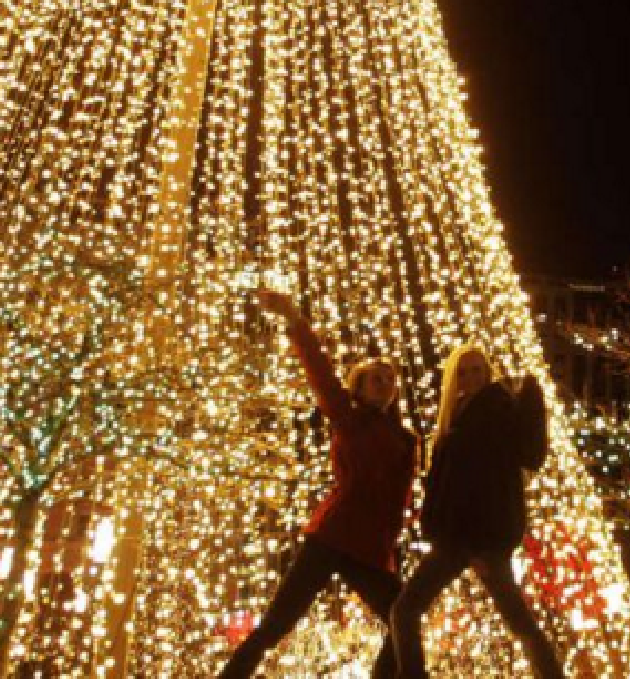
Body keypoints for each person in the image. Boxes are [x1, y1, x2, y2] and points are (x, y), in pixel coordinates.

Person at [218, 289, 417, 678]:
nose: (384, 384)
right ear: (358, 387)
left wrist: (392, 551)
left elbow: (398, 502)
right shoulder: (348, 416)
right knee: (277, 623)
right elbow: (319, 369)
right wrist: (293, 317)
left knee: (404, 617)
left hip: (371, 548)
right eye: (375, 378)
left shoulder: (405, 440)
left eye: (389, 380)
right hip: (333, 537)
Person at [389, 344, 563, 678]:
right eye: (463, 371)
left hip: (481, 538)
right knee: (406, 610)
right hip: (454, 536)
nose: (471, 378)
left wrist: (485, 543)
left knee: (516, 619)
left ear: (488, 372)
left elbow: (507, 471)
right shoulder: (454, 414)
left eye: (477, 370)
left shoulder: (497, 409)